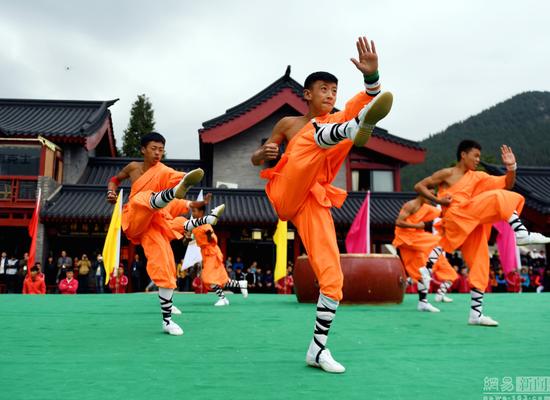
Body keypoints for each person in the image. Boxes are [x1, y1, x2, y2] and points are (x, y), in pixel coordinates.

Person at [250, 36, 392, 373]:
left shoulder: (335, 117)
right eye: (324, 89)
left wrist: (371, 76)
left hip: (315, 197)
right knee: (315, 137)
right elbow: (258, 159)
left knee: (333, 278)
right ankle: (356, 129)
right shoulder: (288, 124)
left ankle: (317, 349)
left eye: (334, 90)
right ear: (307, 94)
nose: (330, 95)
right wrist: (264, 153)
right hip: (288, 189)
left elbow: (372, 98)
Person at [414, 140, 550, 327]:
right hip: (456, 214)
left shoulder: (479, 176)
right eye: (475, 155)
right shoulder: (447, 173)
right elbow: (420, 186)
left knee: (480, 263)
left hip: (472, 220)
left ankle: (475, 315)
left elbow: (507, 183)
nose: (478, 159)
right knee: (498, 198)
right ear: (463, 154)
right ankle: (521, 233)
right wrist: (438, 200)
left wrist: (511, 167)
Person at [106, 132, 224, 336]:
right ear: (143, 149)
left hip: (154, 222)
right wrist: (111, 191)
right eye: (154, 148)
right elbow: (114, 179)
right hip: (135, 216)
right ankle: (177, 193)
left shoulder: (161, 170)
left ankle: (167, 320)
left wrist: (196, 203)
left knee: (166, 264)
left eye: (161, 149)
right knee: (141, 198)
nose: (158, 153)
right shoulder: (133, 167)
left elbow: (174, 190)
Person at [393, 195, 457, 313]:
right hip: (405, 237)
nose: (431, 198)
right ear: (423, 194)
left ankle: (423, 303)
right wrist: (417, 225)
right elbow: (398, 222)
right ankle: (428, 268)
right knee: (439, 241)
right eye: (430, 195)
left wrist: (450, 203)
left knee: (420, 274)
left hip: (414, 240)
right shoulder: (410, 205)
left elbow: (442, 213)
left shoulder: (427, 207)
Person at [189, 205, 248, 306]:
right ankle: (240, 284)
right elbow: (190, 240)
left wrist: (209, 236)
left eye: (194, 211)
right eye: (192, 211)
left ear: (201, 212)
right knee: (222, 279)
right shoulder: (194, 225)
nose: (192, 213)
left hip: (212, 253)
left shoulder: (206, 224)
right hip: (206, 254)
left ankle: (222, 298)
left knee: (207, 277)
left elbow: (213, 240)